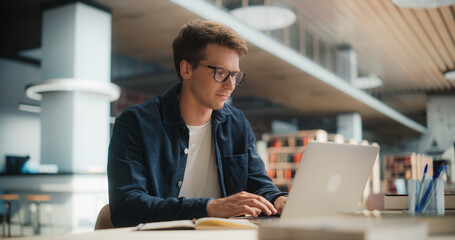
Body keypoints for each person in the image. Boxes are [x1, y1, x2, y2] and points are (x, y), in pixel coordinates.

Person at [107, 19, 287, 228]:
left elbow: (259, 185)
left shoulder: (237, 123)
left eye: (235, 75)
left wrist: (278, 199)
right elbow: (126, 207)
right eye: (220, 73)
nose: (230, 85)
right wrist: (210, 207)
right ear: (186, 70)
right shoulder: (135, 124)